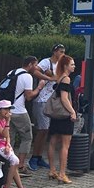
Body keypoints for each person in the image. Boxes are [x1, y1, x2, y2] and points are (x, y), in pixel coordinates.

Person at [0, 100, 34, 188]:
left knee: (14, 164)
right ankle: (6, 187)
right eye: (5, 109)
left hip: (4, 145)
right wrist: (8, 122)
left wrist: (8, 144)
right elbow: (4, 134)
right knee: (15, 160)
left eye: (9, 109)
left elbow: (7, 136)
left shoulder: (4, 120)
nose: (8, 111)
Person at [9, 56, 46, 177]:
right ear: (30, 64)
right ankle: (20, 166)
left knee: (10, 139)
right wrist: (39, 87)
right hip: (19, 111)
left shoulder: (12, 72)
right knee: (27, 137)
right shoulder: (27, 76)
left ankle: (9, 165)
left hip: (8, 111)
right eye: (35, 65)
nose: (36, 68)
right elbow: (29, 96)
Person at [29, 43, 64, 171]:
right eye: (60, 51)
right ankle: (34, 157)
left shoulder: (60, 65)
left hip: (52, 101)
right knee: (42, 129)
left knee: (47, 131)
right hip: (42, 100)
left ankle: (38, 156)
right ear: (54, 51)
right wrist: (49, 77)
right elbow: (35, 71)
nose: (62, 54)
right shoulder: (46, 62)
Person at [47, 55, 78, 184]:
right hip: (64, 115)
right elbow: (65, 98)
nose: (74, 66)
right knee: (65, 145)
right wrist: (72, 112)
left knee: (52, 142)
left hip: (56, 115)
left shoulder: (59, 78)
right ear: (65, 66)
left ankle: (52, 169)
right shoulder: (66, 79)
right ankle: (62, 173)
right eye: (72, 64)